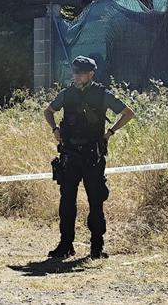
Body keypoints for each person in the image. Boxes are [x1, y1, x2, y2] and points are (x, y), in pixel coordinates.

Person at [43, 56, 135, 260]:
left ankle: (96, 247)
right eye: (74, 72)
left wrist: (110, 133)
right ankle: (65, 245)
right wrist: (55, 130)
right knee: (67, 202)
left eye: (80, 73)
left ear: (91, 74)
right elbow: (48, 111)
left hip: (93, 155)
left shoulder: (102, 94)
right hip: (70, 155)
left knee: (96, 201)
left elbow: (128, 113)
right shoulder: (66, 94)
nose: (76, 76)